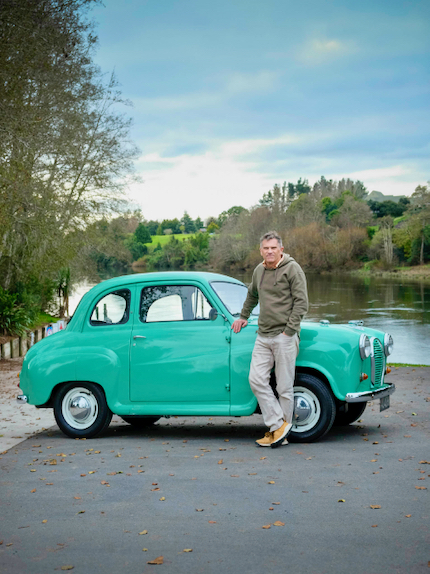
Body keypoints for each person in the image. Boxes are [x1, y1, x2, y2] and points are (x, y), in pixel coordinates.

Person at [232, 231, 308, 448]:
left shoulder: (292, 269)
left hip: (284, 336)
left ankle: (280, 435)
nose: (270, 251)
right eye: (266, 248)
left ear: (281, 249)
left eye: (274, 248)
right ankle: (278, 426)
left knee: (284, 388)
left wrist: (288, 332)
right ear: (261, 250)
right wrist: (243, 317)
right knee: (256, 379)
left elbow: (302, 303)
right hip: (263, 335)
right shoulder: (259, 270)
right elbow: (252, 295)